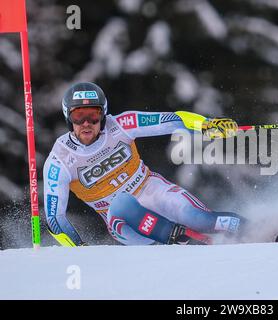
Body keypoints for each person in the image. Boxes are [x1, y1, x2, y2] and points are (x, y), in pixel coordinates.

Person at [43, 82, 245, 246]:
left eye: (93, 116)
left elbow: (172, 120)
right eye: (79, 116)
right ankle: (177, 238)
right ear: (68, 118)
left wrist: (206, 124)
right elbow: (55, 219)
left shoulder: (120, 125)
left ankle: (257, 231)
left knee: (200, 219)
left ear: (103, 115)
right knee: (121, 202)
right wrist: (79, 249)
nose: (86, 123)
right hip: (123, 222)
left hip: (151, 189)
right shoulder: (59, 160)